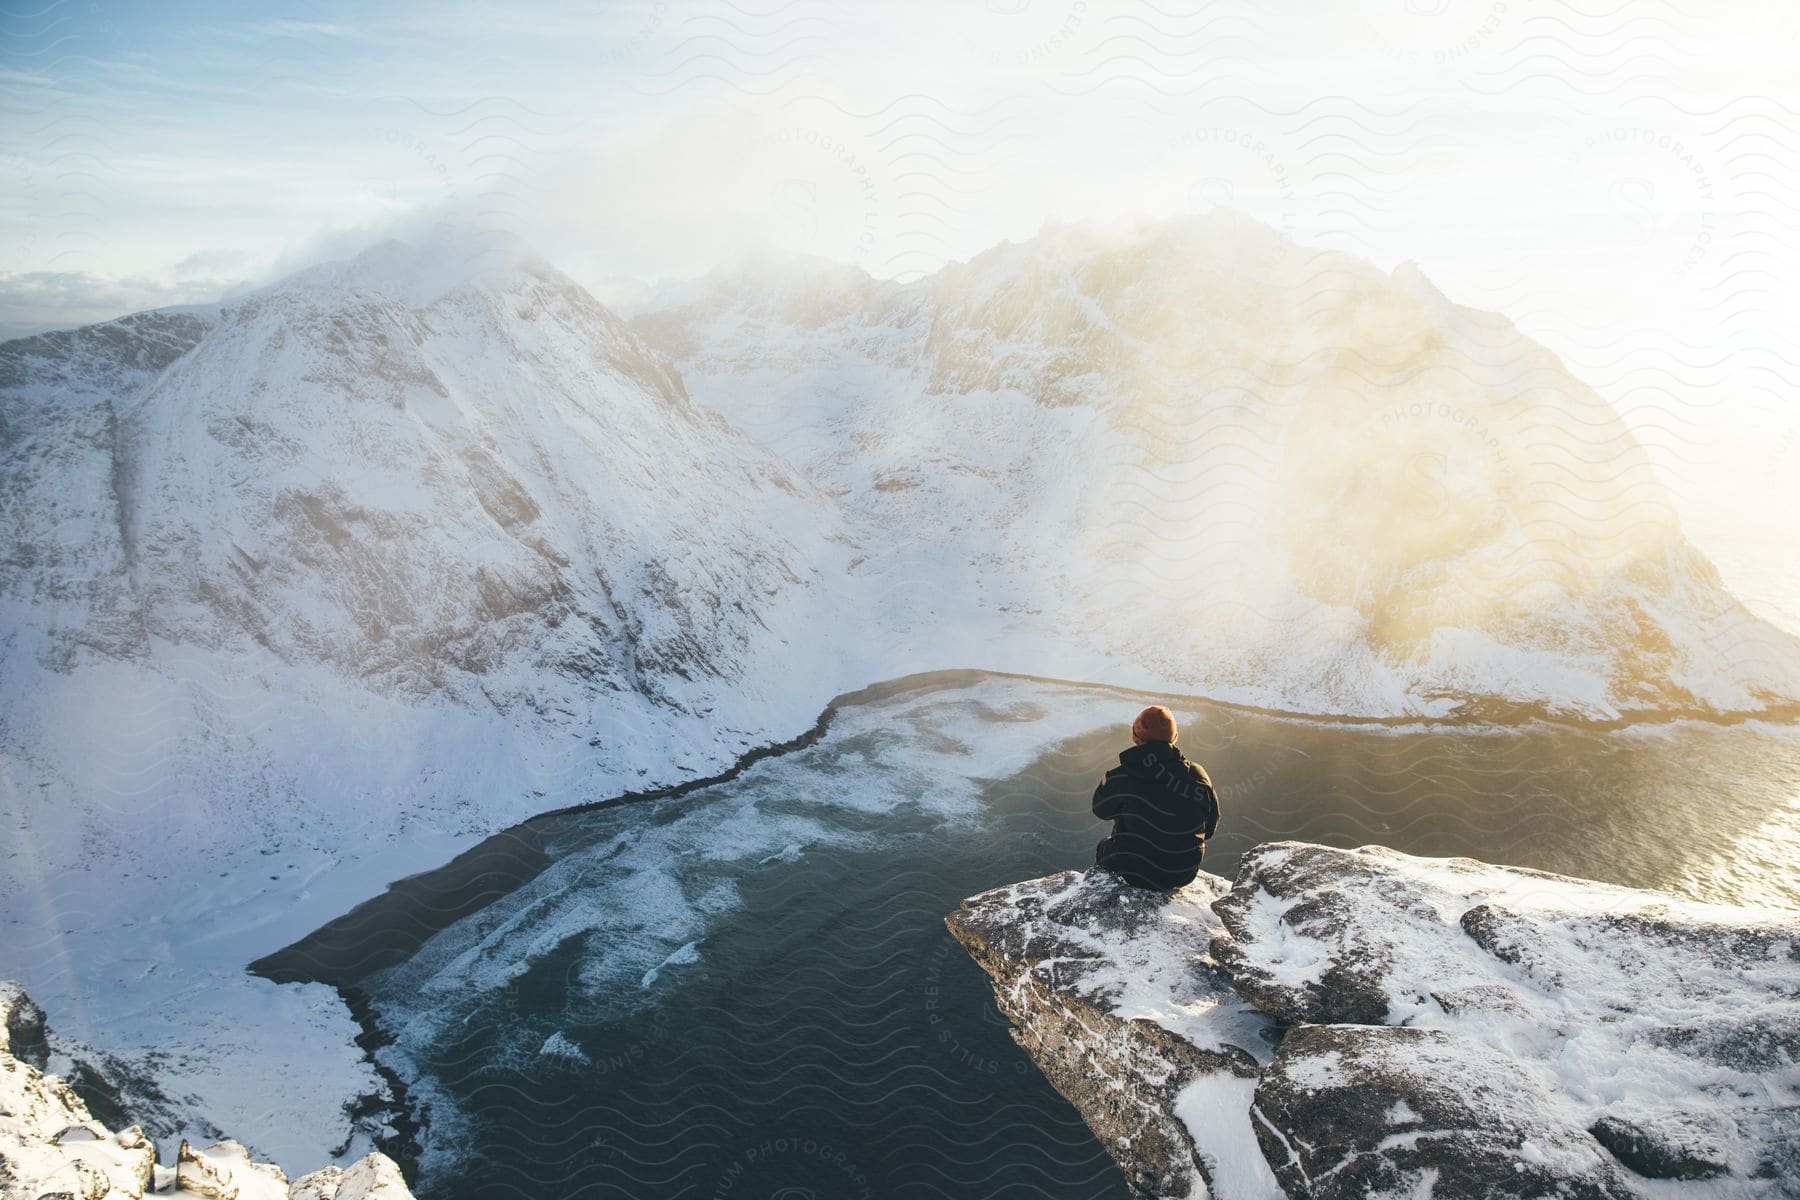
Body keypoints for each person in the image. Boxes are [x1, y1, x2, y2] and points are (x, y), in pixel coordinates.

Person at [1091, 705, 1220, 891]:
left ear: (1135, 736)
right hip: (1184, 871)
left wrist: (1105, 784)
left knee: (1103, 846)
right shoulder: (1197, 775)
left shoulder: (1121, 776)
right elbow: (1209, 829)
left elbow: (1100, 810)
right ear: (1174, 737)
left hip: (1133, 871)